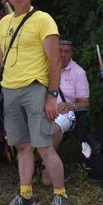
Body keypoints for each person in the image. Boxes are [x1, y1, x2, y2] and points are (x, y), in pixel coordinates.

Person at [0, 0, 69, 205]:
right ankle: (25, 193)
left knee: (44, 145)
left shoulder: (43, 20)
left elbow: (55, 60)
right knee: (21, 146)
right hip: (9, 90)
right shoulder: (6, 21)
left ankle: (60, 194)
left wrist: (52, 96)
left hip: (35, 88)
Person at [40, 36, 90, 186]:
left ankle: (45, 166)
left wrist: (70, 105)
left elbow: (86, 104)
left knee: (53, 129)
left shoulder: (78, 72)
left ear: (72, 53)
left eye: (67, 52)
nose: (63, 54)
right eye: (60, 50)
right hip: (42, 108)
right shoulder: (45, 66)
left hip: (66, 112)